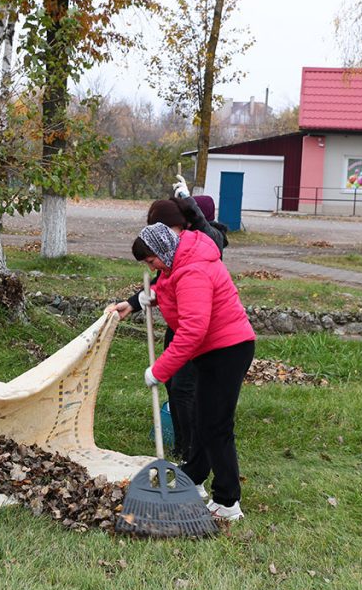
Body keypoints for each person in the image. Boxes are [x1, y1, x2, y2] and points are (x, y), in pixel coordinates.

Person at [134, 222, 255, 522]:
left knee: (216, 425)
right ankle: (194, 478)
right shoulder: (179, 260)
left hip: (227, 351)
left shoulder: (193, 270)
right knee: (203, 418)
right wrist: (147, 297)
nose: (152, 267)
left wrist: (159, 371)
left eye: (151, 260)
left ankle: (227, 501)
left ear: (163, 250)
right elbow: (170, 286)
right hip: (214, 349)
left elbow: (192, 330)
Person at [107, 180, 226, 462]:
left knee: (185, 388)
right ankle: (184, 445)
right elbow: (161, 286)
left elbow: (194, 326)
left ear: (181, 226)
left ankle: (192, 455)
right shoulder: (171, 253)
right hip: (180, 326)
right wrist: (134, 303)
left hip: (201, 332)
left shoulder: (198, 246)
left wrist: (188, 199)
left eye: (163, 229)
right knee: (176, 386)